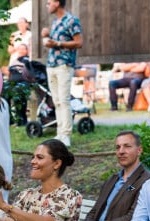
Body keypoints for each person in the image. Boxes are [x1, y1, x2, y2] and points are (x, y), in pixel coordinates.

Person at [43, 0, 82, 147]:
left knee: (64, 100)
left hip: (64, 65)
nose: (47, 5)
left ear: (57, 3)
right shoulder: (55, 22)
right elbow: (53, 43)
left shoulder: (71, 20)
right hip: (51, 64)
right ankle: (59, 133)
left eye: (49, 2)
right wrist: (46, 37)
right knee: (57, 101)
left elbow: (79, 42)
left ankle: (66, 135)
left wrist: (58, 44)